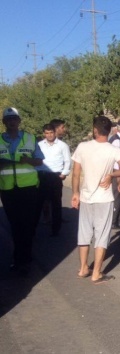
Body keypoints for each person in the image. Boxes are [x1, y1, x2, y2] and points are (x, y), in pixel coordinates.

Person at [71, 116, 120, 284]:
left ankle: (83, 268)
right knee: (102, 235)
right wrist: (111, 174)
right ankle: (96, 272)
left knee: (84, 233)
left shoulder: (83, 147)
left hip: (86, 197)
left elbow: (75, 173)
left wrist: (75, 193)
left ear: (95, 130)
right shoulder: (113, 150)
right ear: (110, 131)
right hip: (104, 198)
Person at [0, 107, 44, 275]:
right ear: (4, 122)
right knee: (15, 225)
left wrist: (28, 160)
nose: (12, 122)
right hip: (7, 189)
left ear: (19, 121)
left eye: (14, 119)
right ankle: (21, 258)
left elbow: (39, 161)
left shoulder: (30, 138)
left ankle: (23, 260)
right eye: (8, 119)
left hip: (28, 188)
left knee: (26, 225)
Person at [36, 123, 71, 237]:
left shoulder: (62, 145)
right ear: (44, 134)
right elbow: (36, 159)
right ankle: (33, 230)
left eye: (51, 132)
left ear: (55, 133)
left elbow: (67, 160)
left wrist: (64, 173)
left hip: (55, 176)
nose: (49, 135)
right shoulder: (39, 145)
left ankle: (56, 229)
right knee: (38, 203)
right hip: (42, 176)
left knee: (56, 203)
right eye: (47, 133)